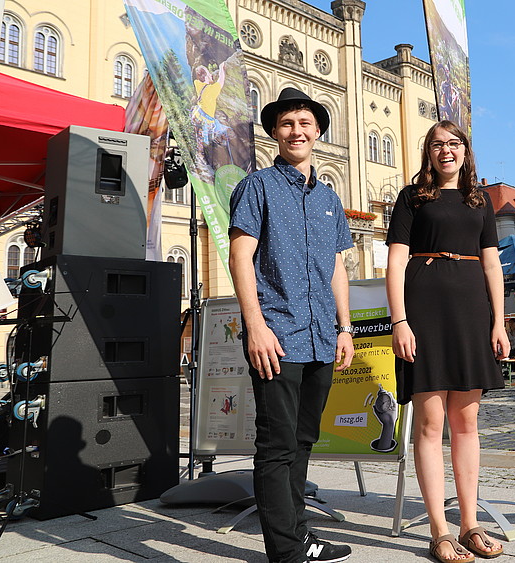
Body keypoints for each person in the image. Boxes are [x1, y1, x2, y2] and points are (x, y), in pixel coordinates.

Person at [228, 87, 353, 563]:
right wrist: (254, 325)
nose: (296, 131)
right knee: (277, 445)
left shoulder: (328, 198)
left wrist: (344, 328)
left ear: (318, 130)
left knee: (302, 442)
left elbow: (337, 267)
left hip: (323, 335)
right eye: (287, 124)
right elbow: (241, 257)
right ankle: (285, 553)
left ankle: (300, 537)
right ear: (275, 133)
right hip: (276, 334)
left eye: (304, 123)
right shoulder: (256, 186)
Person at [385, 120, 508, 562]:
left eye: (453, 143)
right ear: (428, 153)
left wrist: (499, 322)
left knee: (467, 424)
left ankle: (470, 524)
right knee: (430, 424)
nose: (446, 150)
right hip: (423, 312)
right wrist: (399, 320)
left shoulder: (481, 199)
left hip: (471, 313)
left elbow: (492, 265)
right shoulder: (413, 197)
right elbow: (396, 262)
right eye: (437, 145)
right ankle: (439, 530)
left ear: (465, 150)